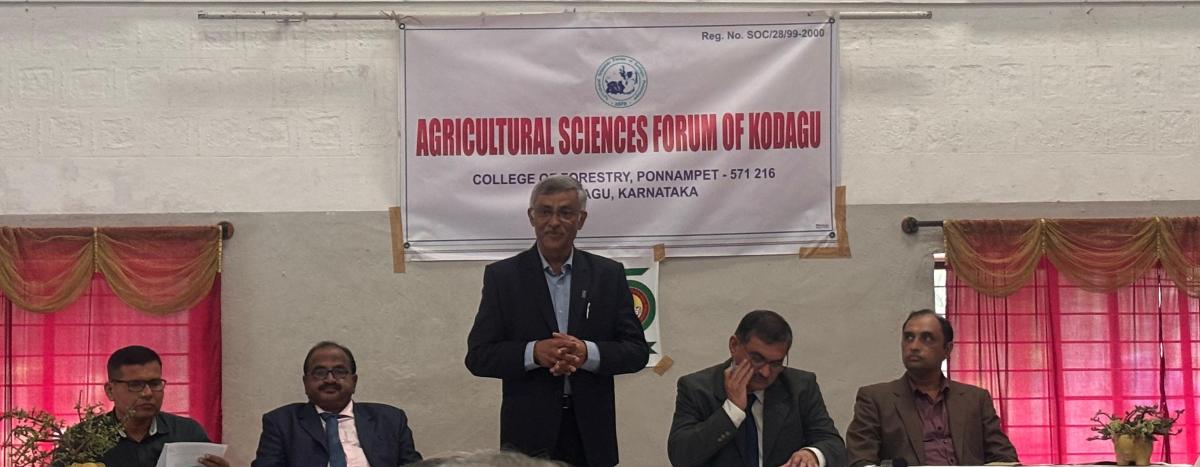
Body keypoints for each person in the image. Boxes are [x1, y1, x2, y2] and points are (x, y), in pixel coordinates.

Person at [465, 175, 650, 467]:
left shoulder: (607, 275)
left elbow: (637, 352)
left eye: (565, 212)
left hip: (591, 435)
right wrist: (534, 353)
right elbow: (478, 356)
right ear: (532, 216)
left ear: (581, 219)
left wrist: (587, 353)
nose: (554, 222)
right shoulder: (503, 278)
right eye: (545, 212)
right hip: (527, 439)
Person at [668, 310, 846, 467]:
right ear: (734, 345)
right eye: (757, 359)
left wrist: (812, 454)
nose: (765, 372)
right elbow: (681, 457)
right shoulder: (697, 388)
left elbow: (833, 444)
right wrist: (732, 411)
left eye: (776, 363)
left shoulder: (801, 386)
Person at [845, 310, 1019, 467]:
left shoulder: (975, 399)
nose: (914, 346)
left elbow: (1004, 457)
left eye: (927, 338)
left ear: (947, 349)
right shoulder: (876, 399)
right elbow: (860, 459)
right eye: (909, 337)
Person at [251, 341, 422, 467]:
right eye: (320, 372)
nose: (330, 380)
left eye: (340, 372)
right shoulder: (282, 423)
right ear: (305, 382)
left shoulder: (390, 420)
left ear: (354, 381)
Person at [79, 345, 229, 467]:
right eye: (135, 384)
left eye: (155, 383)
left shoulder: (187, 433)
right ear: (110, 391)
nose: (147, 393)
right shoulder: (82, 439)